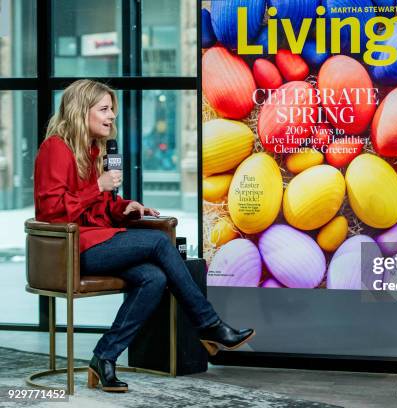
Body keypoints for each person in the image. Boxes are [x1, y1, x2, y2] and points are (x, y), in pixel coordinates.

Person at [34, 79, 255, 393]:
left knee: (153, 278)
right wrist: (98, 186)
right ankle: (209, 325)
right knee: (158, 243)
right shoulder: (55, 148)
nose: (112, 116)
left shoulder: (97, 150)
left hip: (99, 240)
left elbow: (100, 207)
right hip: (70, 248)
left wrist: (125, 206)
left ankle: (104, 357)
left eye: (113, 109)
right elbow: (51, 210)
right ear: (81, 111)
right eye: (104, 109)